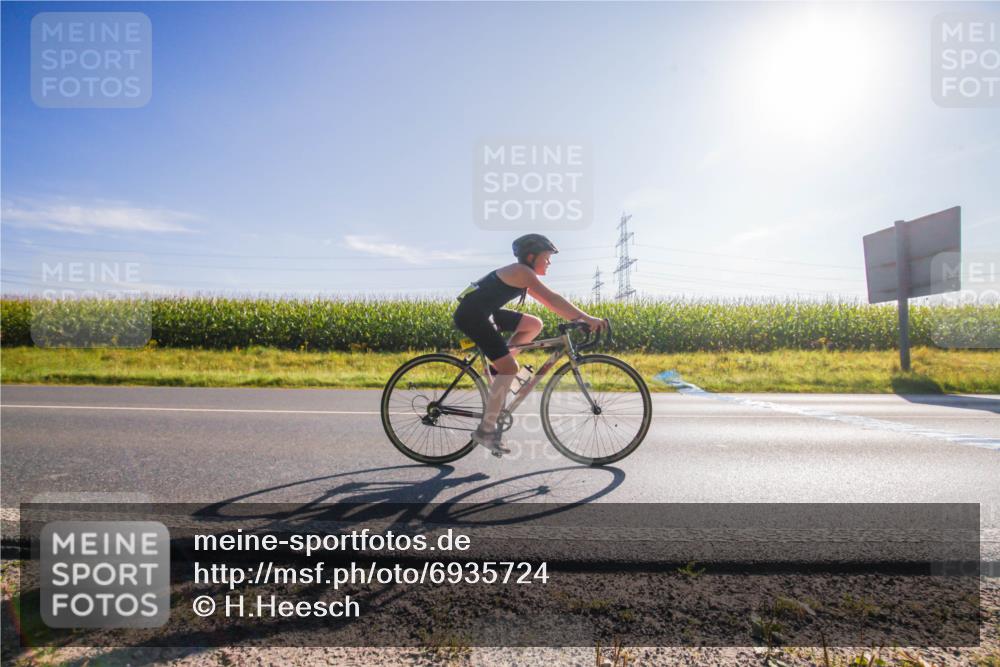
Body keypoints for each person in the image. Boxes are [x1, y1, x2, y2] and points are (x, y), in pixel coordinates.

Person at [453, 233, 607, 455]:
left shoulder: (523, 275)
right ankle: (485, 430)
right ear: (531, 256)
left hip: (484, 312)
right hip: (472, 316)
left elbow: (550, 302)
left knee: (534, 324)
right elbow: (552, 300)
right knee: (510, 369)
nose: (550, 262)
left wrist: (580, 319)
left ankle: (499, 370)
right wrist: (586, 319)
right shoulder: (521, 272)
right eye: (547, 257)